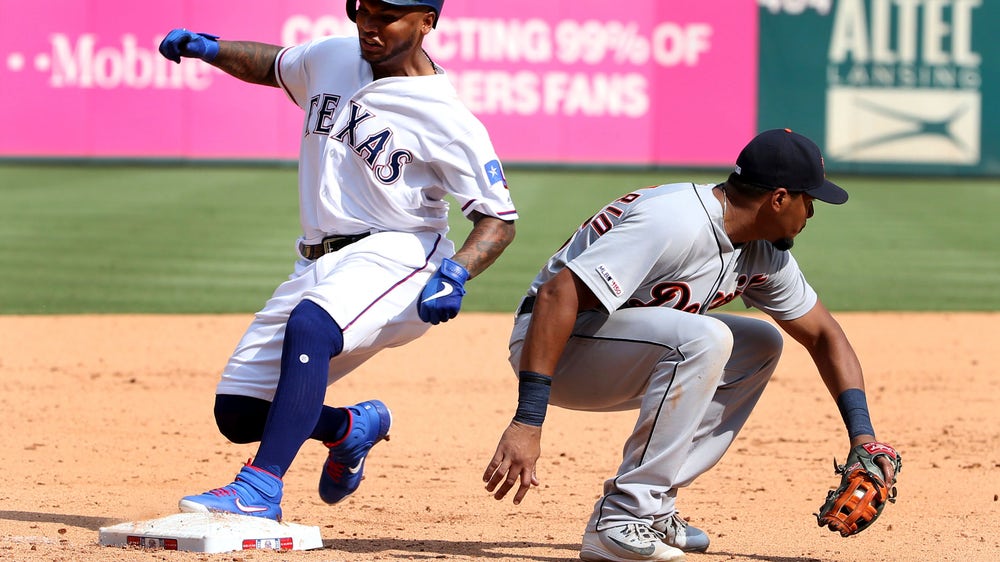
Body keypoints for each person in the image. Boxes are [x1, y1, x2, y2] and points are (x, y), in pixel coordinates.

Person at [157, 0, 517, 521]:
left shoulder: (447, 117)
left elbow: (498, 218)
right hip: (315, 259)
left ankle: (259, 489)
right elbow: (275, 64)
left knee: (312, 325)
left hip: (400, 251)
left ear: (426, 22)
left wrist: (458, 272)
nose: (369, 24)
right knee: (238, 412)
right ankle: (349, 428)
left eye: (387, 15)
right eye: (362, 9)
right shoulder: (333, 56)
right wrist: (212, 50)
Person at [482, 129, 898, 561]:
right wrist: (528, 420)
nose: (811, 212)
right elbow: (556, 295)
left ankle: (654, 504)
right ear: (778, 199)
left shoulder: (764, 253)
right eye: (808, 200)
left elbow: (825, 335)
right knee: (706, 336)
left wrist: (862, 436)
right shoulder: (676, 220)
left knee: (758, 343)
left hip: (617, 351)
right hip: (552, 346)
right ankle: (621, 518)